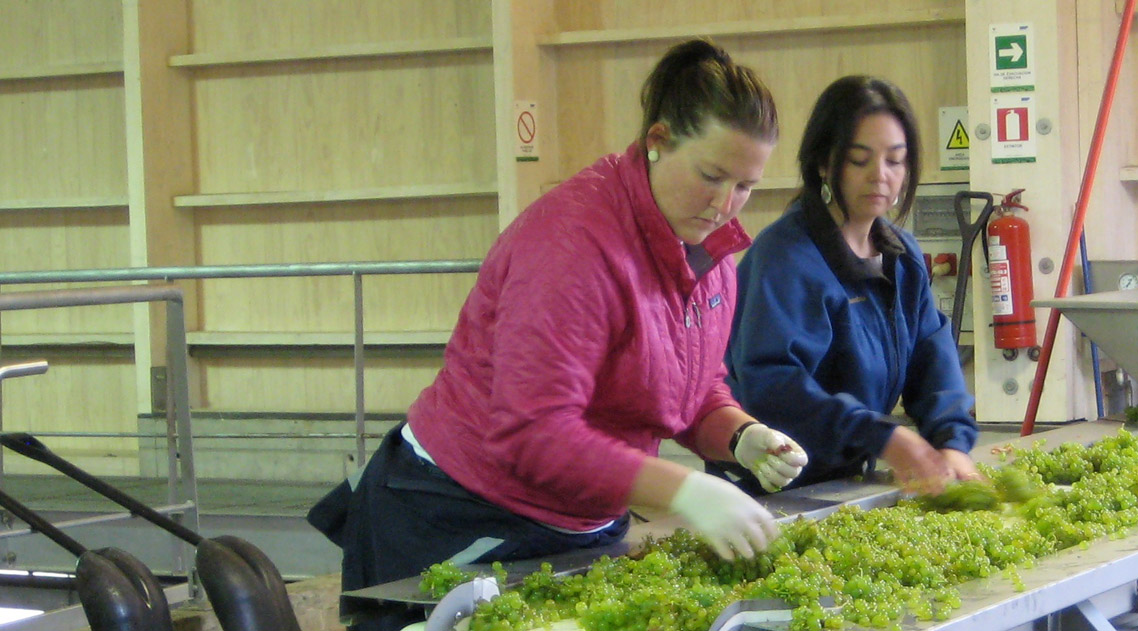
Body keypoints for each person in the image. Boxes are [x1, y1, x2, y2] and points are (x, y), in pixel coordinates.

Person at [306, 39, 809, 630]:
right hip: (461, 517)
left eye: (746, 186)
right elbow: (533, 432)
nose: (726, 205)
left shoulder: (711, 253)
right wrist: (684, 493)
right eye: (711, 175)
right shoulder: (573, 245)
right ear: (657, 141)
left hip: (581, 527)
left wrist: (739, 434)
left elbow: (687, 387)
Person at [721, 76, 979, 496]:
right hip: (765, 487)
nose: (880, 176)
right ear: (825, 162)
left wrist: (951, 442)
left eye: (895, 161)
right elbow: (772, 386)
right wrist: (881, 436)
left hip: (846, 482)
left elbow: (932, 360)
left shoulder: (902, 258)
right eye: (860, 160)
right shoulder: (784, 258)